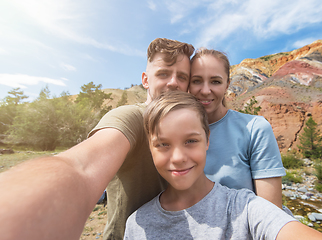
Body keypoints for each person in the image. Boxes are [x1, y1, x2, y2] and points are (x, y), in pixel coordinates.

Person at [0, 38, 194, 240]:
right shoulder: (132, 117)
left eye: (182, 76)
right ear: (145, 80)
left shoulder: (188, 125)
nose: (173, 82)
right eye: (163, 74)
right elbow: (81, 168)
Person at [124, 91, 322, 240]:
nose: (178, 157)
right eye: (163, 144)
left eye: (190, 141)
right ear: (150, 148)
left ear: (207, 140)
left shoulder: (244, 209)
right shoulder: (136, 224)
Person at [189, 48, 285, 210]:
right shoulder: (174, 133)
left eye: (215, 81)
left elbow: (271, 213)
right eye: (197, 80)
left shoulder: (255, 129)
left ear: (227, 84)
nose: (205, 91)